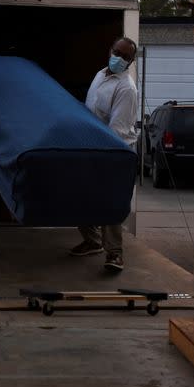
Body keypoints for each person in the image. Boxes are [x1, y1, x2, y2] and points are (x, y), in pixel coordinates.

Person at [70, 36, 139, 271]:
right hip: (92, 144)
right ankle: (92, 240)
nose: (118, 58)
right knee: (80, 196)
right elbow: (92, 109)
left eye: (124, 57)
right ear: (110, 50)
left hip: (113, 149)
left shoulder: (126, 88)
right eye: (116, 52)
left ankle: (114, 254)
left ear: (131, 61)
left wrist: (97, 154)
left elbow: (116, 131)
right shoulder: (100, 75)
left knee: (108, 201)